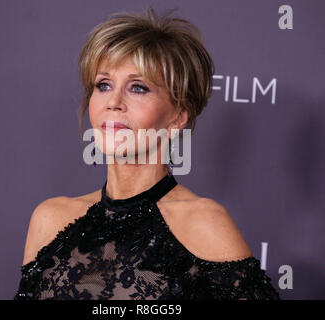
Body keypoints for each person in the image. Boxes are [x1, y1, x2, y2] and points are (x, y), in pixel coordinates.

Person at [14, 7, 281, 300]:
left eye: (138, 88)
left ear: (178, 116)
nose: (113, 102)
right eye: (103, 85)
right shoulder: (49, 219)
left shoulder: (204, 223)